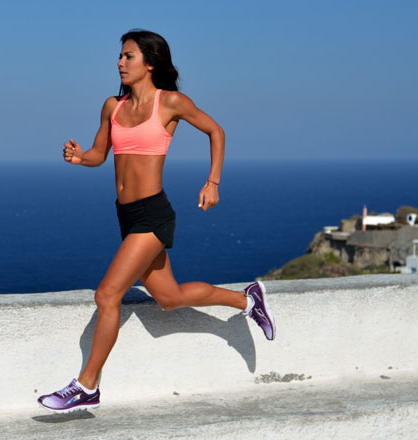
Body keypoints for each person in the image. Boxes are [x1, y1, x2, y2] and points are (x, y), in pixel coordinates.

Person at [37, 29, 275, 414]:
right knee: (169, 298)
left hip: (152, 214)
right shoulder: (111, 106)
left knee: (107, 295)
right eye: (120, 56)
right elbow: (101, 153)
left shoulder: (171, 103)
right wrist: (81, 157)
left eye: (128, 56)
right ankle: (246, 299)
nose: (120, 62)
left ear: (150, 63)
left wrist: (212, 181)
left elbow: (216, 131)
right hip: (127, 215)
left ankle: (86, 386)